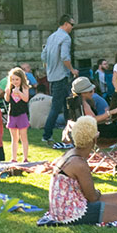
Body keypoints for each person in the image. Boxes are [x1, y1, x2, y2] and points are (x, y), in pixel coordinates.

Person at [40, 14, 76, 149]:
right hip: (62, 76)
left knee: (68, 106)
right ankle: (46, 135)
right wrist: (72, 70)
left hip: (52, 77)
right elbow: (65, 57)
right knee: (58, 107)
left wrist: (49, 69)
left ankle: (69, 133)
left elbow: (43, 56)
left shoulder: (51, 37)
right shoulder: (65, 38)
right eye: (72, 24)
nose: (73, 27)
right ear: (66, 24)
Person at [4, 67, 31, 163]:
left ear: (21, 79)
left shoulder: (24, 87)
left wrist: (18, 92)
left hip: (22, 114)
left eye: (17, 79)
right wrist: (7, 93)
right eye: (13, 79)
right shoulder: (10, 88)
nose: (15, 81)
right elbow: (7, 100)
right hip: (12, 114)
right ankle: (14, 158)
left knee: (23, 137)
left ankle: (25, 157)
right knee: (14, 138)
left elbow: (26, 99)